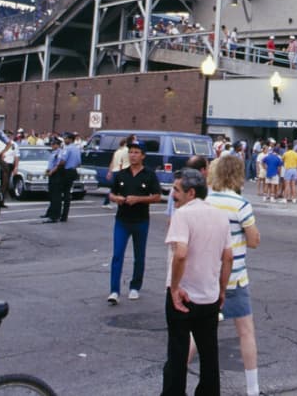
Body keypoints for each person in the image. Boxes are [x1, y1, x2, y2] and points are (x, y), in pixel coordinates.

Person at [162, 168, 232, 396]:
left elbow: (180, 254)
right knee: (209, 352)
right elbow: (228, 256)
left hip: (183, 295)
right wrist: (222, 289)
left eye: (176, 190)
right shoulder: (221, 216)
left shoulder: (182, 215)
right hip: (209, 294)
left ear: (190, 193)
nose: (173, 194)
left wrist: (174, 288)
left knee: (178, 353)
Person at [205, 152, 263, 396]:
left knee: (198, 333)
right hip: (235, 277)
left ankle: (175, 378)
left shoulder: (205, 201)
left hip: (207, 276)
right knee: (246, 332)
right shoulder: (240, 204)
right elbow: (253, 241)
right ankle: (252, 389)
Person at [107, 140, 163, 305]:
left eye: (136, 152)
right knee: (117, 255)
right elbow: (111, 193)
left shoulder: (149, 174)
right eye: (131, 152)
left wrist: (138, 199)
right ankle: (114, 290)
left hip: (141, 220)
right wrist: (116, 198)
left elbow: (157, 196)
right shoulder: (121, 174)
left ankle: (135, 286)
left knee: (139, 256)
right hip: (122, 220)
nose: (133, 155)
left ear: (143, 156)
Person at [58, 132, 83, 222]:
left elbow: (63, 161)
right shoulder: (77, 149)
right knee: (67, 193)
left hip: (66, 171)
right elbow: (79, 162)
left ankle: (60, 214)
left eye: (66, 138)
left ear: (70, 139)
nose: (64, 140)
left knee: (61, 193)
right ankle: (65, 215)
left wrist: (58, 167)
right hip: (73, 171)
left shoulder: (67, 148)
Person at [41, 137, 65, 223]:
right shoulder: (53, 152)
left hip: (56, 175)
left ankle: (55, 216)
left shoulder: (60, 152)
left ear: (58, 145)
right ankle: (50, 212)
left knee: (56, 196)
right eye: (52, 144)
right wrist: (48, 170)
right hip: (51, 174)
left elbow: (58, 165)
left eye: (54, 144)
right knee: (51, 195)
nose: (52, 145)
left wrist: (51, 171)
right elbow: (51, 163)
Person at [104, 135, 132, 207]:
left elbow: (112, 162)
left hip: (115, 170)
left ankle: (106, 202)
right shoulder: (126, 150)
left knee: (115, 187)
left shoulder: (117, 151)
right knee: (121, 187)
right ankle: (110, 202)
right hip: (122, 170)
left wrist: (109, 172)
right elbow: (122, 162)